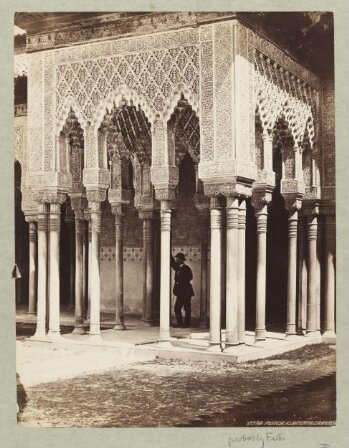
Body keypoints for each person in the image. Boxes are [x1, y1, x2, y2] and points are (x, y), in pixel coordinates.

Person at [170, 252, 194, 328]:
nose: (176, 261)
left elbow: (190, 277)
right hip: (181, 292)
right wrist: (168, 252)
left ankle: (186, 324)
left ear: (182, 260)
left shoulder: (186, 268)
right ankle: (180, 323)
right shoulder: (178, 267)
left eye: (177, 260)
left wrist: (181, 277)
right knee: (177, 308)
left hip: (186, 291)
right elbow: (172, 263)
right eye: (176, 259)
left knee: (186, 308)